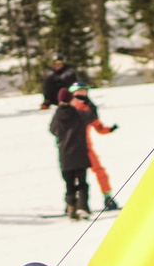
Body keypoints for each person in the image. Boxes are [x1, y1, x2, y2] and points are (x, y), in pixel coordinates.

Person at [66, 84, 122, 213]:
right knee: (73, 177)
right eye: (79, 92)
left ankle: (107, 196)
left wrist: (110, 129)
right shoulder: (68, 109)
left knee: (99, 171)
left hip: (86, 148)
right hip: (71, 149)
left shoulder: (90, 109)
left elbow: (99, 127)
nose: (82, 94)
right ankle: (72, 203)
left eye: (84, 92)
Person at [50, 87, 96, 220]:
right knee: (82, 183)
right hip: (80, 153)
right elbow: (92, 116)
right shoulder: (78, 115)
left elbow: (53, 130)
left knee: (69, 185)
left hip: (65, 156)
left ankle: (71, 209)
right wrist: (87, 101)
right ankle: (83, 207)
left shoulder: (57, 116)